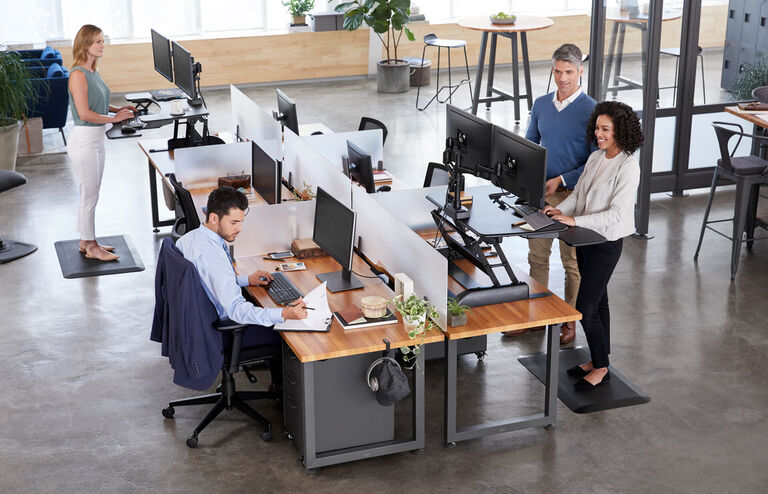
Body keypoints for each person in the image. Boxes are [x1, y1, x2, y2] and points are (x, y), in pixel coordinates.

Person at [544, 101, 643, 390]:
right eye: (597, 128)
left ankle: (601, 369)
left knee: (586, 308)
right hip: (585, 238)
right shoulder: (596, 157)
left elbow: (616, 214)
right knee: (600, 303)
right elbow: (579, 195)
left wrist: (574, 220)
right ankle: (600, 360)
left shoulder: (628, 166)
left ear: (620, 131)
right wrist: (560, 211)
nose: (599, 134)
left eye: (605, 130)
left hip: (605, 242)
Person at [504, 44, 597, 344]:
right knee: (537, 256)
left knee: (572, 263)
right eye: (557, 71)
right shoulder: (542, 104)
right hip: (541, 194)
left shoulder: (592, 111)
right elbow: (530, 145)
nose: (562, 78)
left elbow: (595, 162)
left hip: (573, 197)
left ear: (580, 71)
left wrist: (562, 179)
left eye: (569, 72)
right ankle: (535, 316)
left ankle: (569, 320)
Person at [175, 186, 307, 384]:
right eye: (234, 222)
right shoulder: (214, 257)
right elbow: (236, 310)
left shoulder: (190, 239)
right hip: (220, 330)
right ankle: (279, 391)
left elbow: (207, 280)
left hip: (196, 322)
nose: (240, 229)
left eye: (241, 222)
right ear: (214, 218)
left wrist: (246, 280)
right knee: (288, 332)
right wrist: (283, 314)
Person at [67, 24, 136, 261]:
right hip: (84, 141)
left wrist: (119, 109)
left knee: (91, 192)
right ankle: (92, 246)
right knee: (89, 195)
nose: (102, 45)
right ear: (85, 44)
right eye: (98, 41)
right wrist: (114, 119)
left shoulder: (93, 71)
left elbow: (98, 102)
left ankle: (84, 240)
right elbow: (84, 113)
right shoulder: (78, 75)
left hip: (97, 140)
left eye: (103, 41)